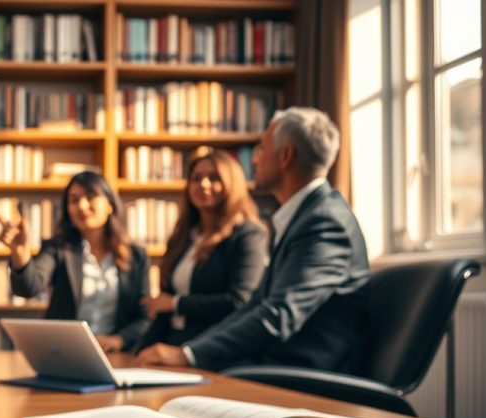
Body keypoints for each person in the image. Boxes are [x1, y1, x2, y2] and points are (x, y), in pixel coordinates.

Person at [135, 107, 371, 373]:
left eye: (261, 148)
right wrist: (189, 351)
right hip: (273, 362)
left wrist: (189, 354)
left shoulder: (325, 223)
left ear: (286, 156)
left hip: (305, 372)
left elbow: (279, 315)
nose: (255, 159)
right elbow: (255, 306)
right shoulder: (301, 218)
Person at [0, 171, 150, 352]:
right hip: (62, 352)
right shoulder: (58, 248)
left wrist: (118, 340)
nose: (81, 205)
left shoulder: (136, 256)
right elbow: (29, 287)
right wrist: (19, 253)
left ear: (110, 204)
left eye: (90, 196)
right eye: (74, 200)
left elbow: (144, 317)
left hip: (114, 355)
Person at [136, 149, 267, 350]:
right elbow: (164, 305)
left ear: (232, 184)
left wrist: (177, 304)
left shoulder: (247, 236)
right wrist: (140, 353)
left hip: (213, 348)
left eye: (214, 178)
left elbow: (240, 301)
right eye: (196, 179)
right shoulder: (184, 236)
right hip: (172, 343)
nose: (203, 185)